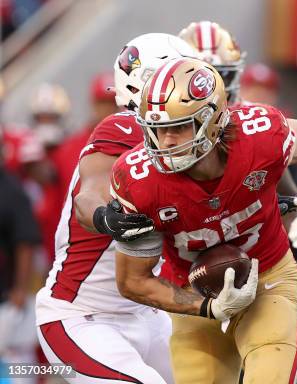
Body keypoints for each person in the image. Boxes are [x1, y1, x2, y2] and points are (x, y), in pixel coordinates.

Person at [110, 57, 297, 384]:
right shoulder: (140, 181)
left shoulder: (260, 136)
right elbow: (133, 280)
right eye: (157, 130)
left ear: (213, 121)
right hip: (192, 293)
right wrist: (207, 307)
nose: (166, 143)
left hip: (268, 276)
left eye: (177, 127)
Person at [35, 33, 198, 383]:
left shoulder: (186, 138)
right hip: (81, 315)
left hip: (148, 312)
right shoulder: (125, 128)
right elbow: (89, 192)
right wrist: (105, 217)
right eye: (182, 78)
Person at [179, 20, 297, 253]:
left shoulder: (253, 121)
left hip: (243, 247)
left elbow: (278, 177)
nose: (213, 87)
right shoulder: (157, 123)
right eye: (201, 78)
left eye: (221, 75)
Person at [0, 129, 41, 384]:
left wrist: (19, 290)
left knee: (16, 365)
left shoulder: (12, 190)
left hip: (6, 296)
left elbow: (25, 242)